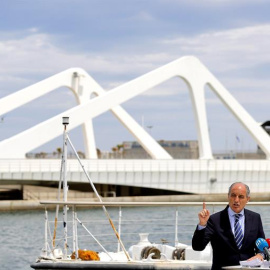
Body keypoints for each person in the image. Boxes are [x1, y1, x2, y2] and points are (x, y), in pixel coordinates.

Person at [192, 182, 265, 270]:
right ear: (228, 196)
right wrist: (202, 224)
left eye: (241, 197)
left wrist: (260, 254)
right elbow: (198, 247)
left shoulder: (255, 218)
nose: (236, 200)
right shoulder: (214, 220)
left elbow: (262, 245)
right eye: (233, 195)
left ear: (247, 199)